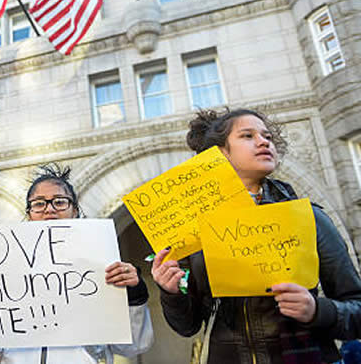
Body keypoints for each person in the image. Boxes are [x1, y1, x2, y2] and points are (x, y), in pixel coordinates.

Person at [152, 108, 361, 363]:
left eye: (267, 137)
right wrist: (171, 292)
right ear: (219, 154)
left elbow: (356, 310)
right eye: (248, 136)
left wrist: (317, 310)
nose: (264, 142)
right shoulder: (194, 230)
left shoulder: (309, 218)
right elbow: (187, 327)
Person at [0, 164, 154, 364]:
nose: (49, 209)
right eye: (38, 204)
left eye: (59, 201)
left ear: (74, 210)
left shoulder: (101, 262)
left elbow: (134, 346)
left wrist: (134, 294)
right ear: (29, 213)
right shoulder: (0, 267)